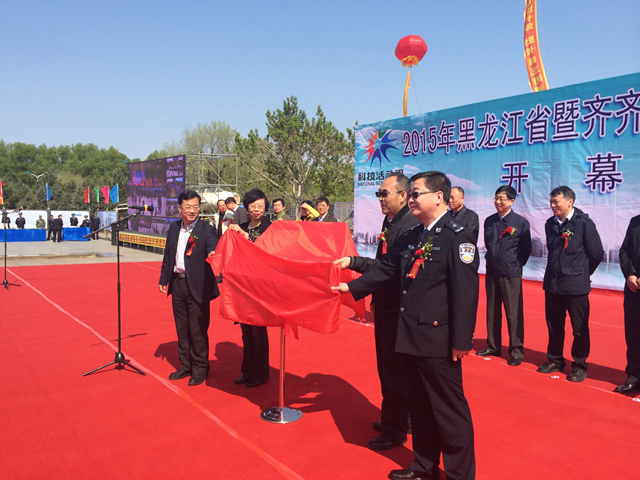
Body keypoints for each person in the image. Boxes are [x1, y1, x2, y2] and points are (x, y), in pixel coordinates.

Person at [333, 171, 478, 480]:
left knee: (449, 412)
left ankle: (459, 475)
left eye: (416, 193)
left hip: (439, 340)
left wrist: (461, 341)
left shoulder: (457, 237)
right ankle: (424, 466)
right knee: (420, 407)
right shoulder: (414, 236)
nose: (410, 199)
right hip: (410, 335)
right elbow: (387, 267)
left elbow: (466, 293)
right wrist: (352, 287)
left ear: (438, 196)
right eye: (409, 194)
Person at [335, 174, 420, 450]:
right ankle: (398, 419)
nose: (381, 199)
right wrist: (355, 263)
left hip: (399, 308)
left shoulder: (410, 226)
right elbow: (382, 263)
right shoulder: (391, 221)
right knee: (388, 368)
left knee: (394, 371)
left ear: (403, 196)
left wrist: (353, 280)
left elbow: (390, 269)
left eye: (385, 194)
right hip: (385, 304)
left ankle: (395, 430)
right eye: (378, 194)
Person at [537, 186, 604, 383]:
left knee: (579, 328)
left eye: (556, 202)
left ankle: (580, 365)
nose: (552, 205)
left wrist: (582, 273)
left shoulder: (583, 223)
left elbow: (596, 253)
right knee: (554, 325)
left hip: (575, 286)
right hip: (553, 284)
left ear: (570, 201)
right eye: (551, 202)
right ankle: (555, 360)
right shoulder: (550, 224)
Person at [159, 190, 219, 386]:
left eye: (195, 207)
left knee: (197, 329)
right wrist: (164, 278)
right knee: (182, 328)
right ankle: (186, 365)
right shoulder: (174, 228)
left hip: (198, 285)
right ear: (180, 208)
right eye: (188, 207)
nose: (192, 210)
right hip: (177, 283)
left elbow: (212, 245)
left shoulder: (205, 228)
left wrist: (213, 252)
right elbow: (168, 255)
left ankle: (200, 368)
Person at [477, 185, 532, 366]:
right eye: (496, 198)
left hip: (511, 273)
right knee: (492, 311)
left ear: (511, 201)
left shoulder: (520, 222)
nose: (498, 202)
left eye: (502, 198)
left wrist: (514, 263)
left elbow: (526, 249)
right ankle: (493, 345)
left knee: (513, 313)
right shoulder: (489, 221)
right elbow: (489, 244)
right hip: (492, 271)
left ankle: (516, 350)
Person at [228, 189, 272, 387]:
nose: (256, 209)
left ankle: (261, 373)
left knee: (258, 332)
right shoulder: (242, 226)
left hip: (261, 286)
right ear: (246, 207)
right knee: (246, 330)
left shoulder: (270, 228)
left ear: (265, 208)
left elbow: (266, 252)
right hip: (243, 285)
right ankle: (247, 371)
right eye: (253, 206)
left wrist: (245, 236)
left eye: (260, 206)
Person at [616, 215, 640, 394]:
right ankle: (634, 375)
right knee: (633, 334)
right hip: (634, 289)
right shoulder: (635, 222)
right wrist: (630, 274)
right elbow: (625, 250)